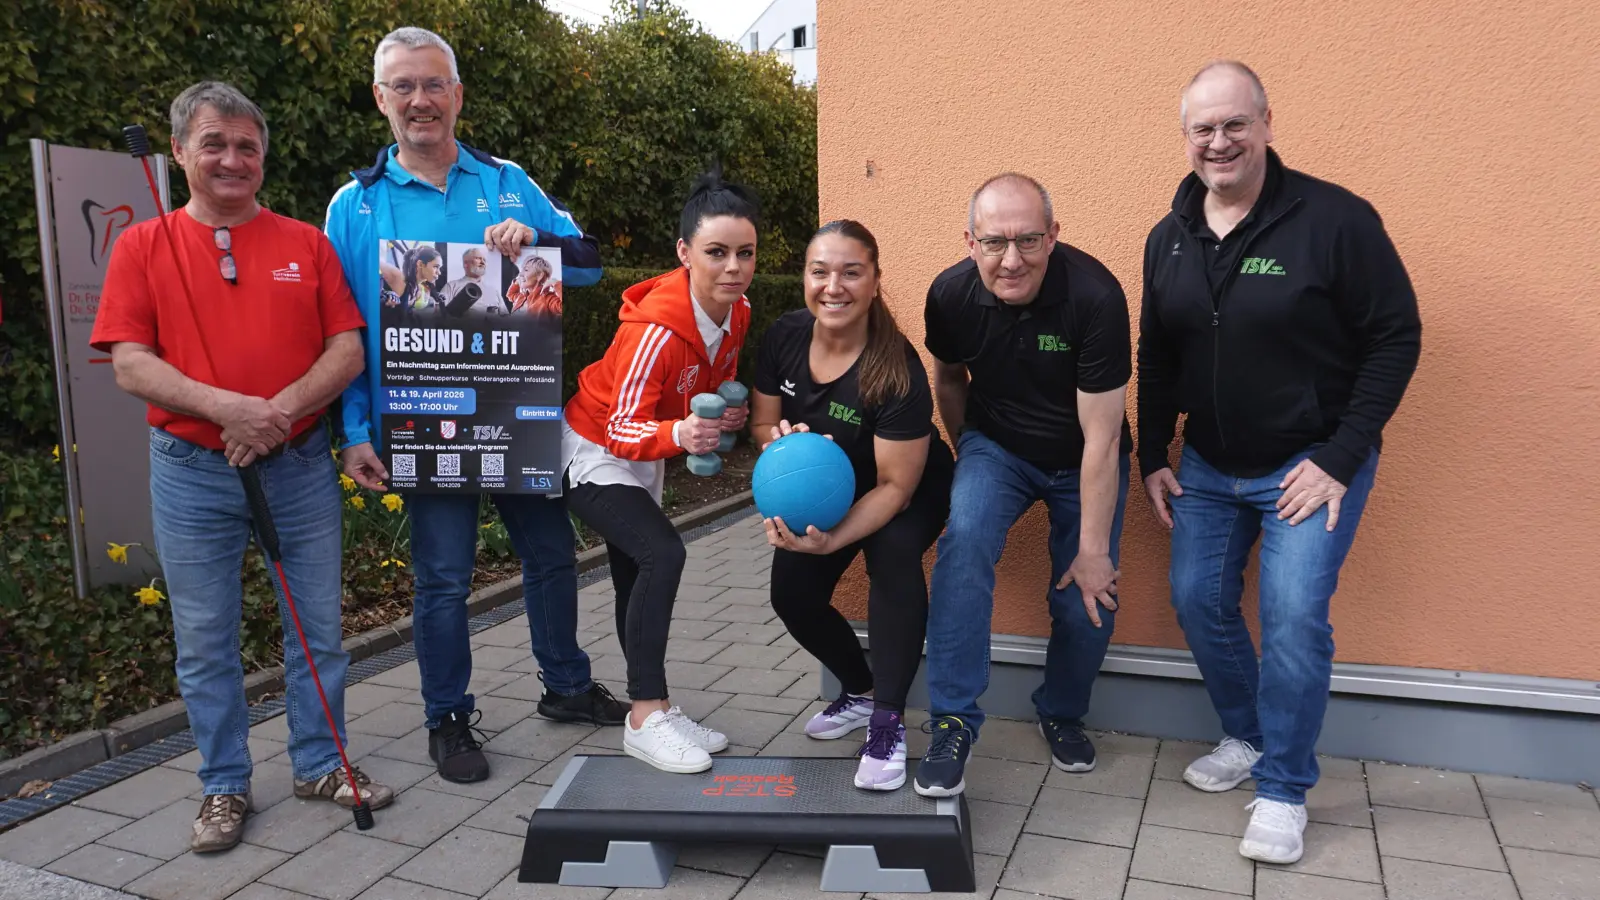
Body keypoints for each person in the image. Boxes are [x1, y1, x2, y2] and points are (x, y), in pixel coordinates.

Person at [90, 81, 393, 853]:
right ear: (182, 152)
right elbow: (130, 363)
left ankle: (320, 764)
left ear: (263, 157)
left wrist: (274, 414)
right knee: (204, 638)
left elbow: (346, 349)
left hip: (292, 466)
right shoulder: (143, 244)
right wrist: (230, 409)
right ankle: (224, 785)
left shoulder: (305, 243)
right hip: (192, 471)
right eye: (214, 143)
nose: (232, 158)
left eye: (246, 146)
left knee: (316, 627)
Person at [324, 26, 627, 786]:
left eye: (434, 85)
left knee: (552, 557)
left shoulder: (508, 181)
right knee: (443, 577)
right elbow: (342, 329)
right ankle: (447, 716)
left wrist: (538, 246)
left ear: (457, 94)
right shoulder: (353, 206)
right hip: (425, 420)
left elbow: (587, 263)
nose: (420, 100)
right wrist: (354, 429)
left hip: (516, 412)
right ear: (381, 99)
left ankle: (565, 686)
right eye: (404, 86)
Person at [1137, 60, 1422, 864]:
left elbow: (1395, 337)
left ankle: (1285, 789)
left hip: (1309, 464)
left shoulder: (1334, 220)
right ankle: (1251, 737)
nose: (1219, 142)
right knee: (1197, 601)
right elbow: (1156, 353)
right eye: (1203, 128)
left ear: (1266, 124)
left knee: (1295, 617)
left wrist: (1339, 456)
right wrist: (1151, 452)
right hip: (1208, 465)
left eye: (1235, 124)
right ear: (1186, 138)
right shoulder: (1170, 238)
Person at [913, 173, 1134, 798]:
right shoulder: (950, 294)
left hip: (1085, 453)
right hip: (998, 446)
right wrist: (970, 456)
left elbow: (1103, 440)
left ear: (1054, 236)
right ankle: (953, 720)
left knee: (1086, 595)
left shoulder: (1094, 296)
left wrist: (1093, 551)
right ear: (970, 241)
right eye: (994, 242)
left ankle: (1061, 710)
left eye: (1029, 240)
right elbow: (950, 380)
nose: (1011, 260)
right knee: (965, 543)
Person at [561, 170, 757, 773]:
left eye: (745, 253)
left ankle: (658, 709)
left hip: (643, 455)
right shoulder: (654, 328)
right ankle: (645, 716)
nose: (733, 268)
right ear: (684, 252)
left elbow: (699, 391)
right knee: (663, 554)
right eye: (716, 253)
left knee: (635, 575)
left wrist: (726, 416)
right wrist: (679, 433)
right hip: (592, 449)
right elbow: (622, 426)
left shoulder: (738, 310)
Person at [752, 220, 954, 791]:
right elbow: (764, 426)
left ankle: (889, 722)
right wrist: (782, 446)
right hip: (826, 489)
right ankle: (860, 691)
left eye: (850, 272)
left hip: (906, 486)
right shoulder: (784, 338)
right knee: (790, 592)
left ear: (874, 282)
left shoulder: (894, 368)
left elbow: (896, 487)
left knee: (890, 552)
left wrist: (834, 541)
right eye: (820, 271)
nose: (833, 285)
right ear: (805, 277)